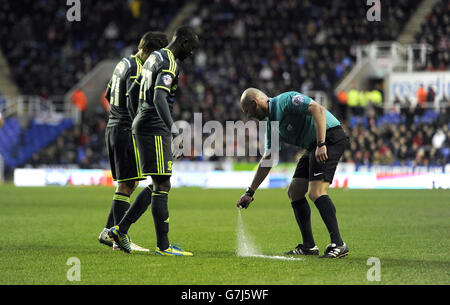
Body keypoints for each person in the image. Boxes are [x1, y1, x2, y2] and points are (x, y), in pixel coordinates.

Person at [109, 26, 199, 255]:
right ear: (185, 42)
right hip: (154, 126)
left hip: (143, 123)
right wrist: (174, 130)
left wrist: (136, 117)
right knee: (162, 184)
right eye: (192, 48)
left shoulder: (153, 58)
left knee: (158, 182)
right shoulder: (169, 61)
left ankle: (121, 230)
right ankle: (162, 246)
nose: (192, 54)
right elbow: (159, 96)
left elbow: (131, 91)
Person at [236, 88, 350, 259]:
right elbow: (268, 160)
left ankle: (339, 243)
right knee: (294, 191)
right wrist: (250, 192)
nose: (249, 116)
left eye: (248, 111)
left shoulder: (286, 100)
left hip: (329, 138)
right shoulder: (272, 125)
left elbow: (318, 109)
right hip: (313, 146)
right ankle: (308, 246)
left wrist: (321, 144)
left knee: (316, 192)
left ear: (255, 103)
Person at [98, 31, 168, 252]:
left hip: (114, 126)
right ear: (147, 50)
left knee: (129, 183)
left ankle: (110, 231)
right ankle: (118, 237)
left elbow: (109, 94)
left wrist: (117, 116)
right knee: (135, 183)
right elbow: (130, 97)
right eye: (155, 56)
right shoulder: (138, 68)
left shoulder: (123, 62)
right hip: (126, 129)